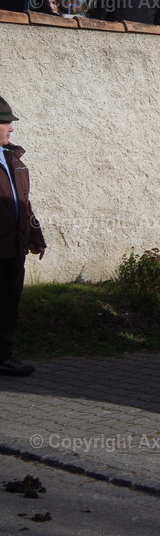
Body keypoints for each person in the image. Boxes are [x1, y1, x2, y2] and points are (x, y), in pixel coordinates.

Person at [0, 96, 45, 376]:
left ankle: (3, 357)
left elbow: (24, 203)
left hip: (13, 249)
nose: (11, 128)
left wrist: (35, 234)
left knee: (7, 305)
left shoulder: (13, 160)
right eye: (5, 123)